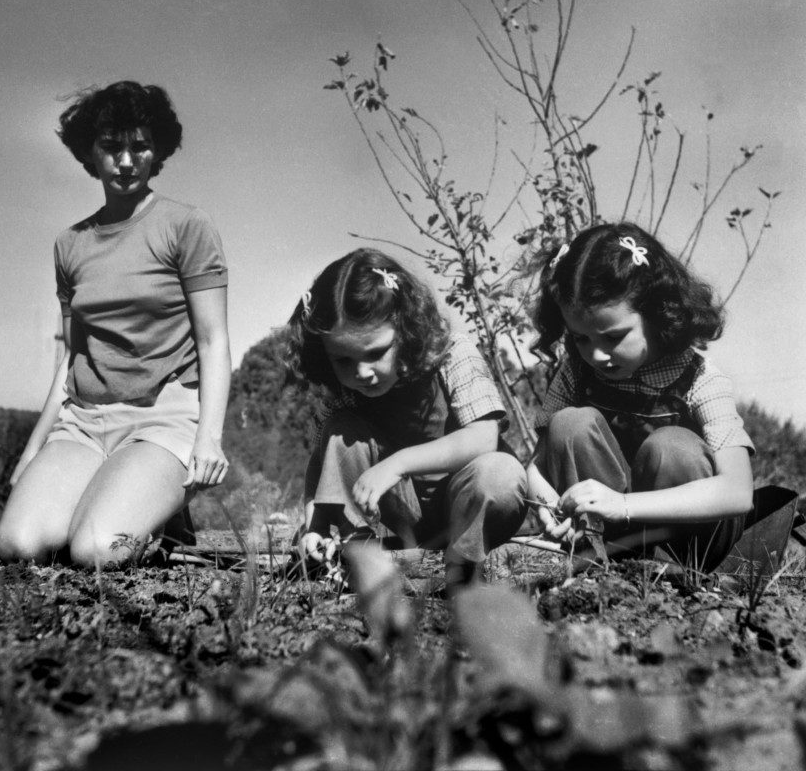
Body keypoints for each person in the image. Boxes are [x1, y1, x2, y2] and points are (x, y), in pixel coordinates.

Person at [0, 81, 231, 568]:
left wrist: (209, 437)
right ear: (90, 152)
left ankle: (158, 512)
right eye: (111, 146)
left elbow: (213, 341)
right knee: (18, 545)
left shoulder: (187, 226)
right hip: (84, 423)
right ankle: (125, 498)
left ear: (157, 151)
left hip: (162, 419)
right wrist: (32, 450)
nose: (126, 161)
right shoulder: (69, 245)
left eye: (140, 146)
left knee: (95, 549)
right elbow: (70, 358)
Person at [287, 248, 528, 592]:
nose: (362, 372)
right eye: (343, 360)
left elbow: (483, 437)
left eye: (376, 353)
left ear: (405, 327)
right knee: (340, 432)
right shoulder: (344, 391)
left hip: (467, 503)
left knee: (502, 474)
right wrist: (315, 528)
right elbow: (322, 467)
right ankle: (359, 556)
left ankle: (463, 568)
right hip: (405, 513)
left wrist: (398, 464)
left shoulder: (451, 354)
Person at [525, 221, 754, 571]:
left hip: (692, 544)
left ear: (656, 313)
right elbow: (537, 466)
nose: (596, 355)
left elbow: (738, 492)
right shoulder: (576, 371)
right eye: (581, 338)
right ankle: (598, 559)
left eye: (613, 337)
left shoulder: (700, 378)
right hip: (608, 540)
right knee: (569, 423)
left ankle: (672, 574)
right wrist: (549, 506)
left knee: (672, 446)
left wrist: (623, 506)